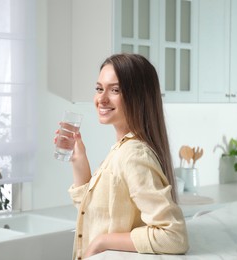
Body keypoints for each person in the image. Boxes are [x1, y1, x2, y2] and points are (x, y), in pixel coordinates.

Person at [55, 53, 189, 259]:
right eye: (99, 88)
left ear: (138, 96)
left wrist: (102, 241)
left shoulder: (133, 155)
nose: (101, 99)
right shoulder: (122, 149)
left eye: (115, 90)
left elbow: (173, 235)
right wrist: (79, 160)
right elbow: (95, 212)